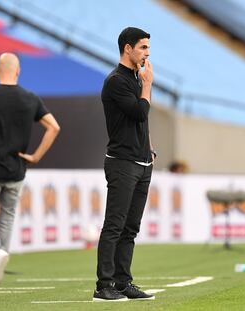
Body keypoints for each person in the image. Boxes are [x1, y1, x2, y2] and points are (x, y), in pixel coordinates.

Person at [0, 53, 60, 284]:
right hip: (17, 169)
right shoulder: (30, 98)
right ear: (18, 71)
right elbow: (54, 127)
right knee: (7, 217)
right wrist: (36, 156)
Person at [94, 27, 156, 301]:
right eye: (142, 47)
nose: (147, 53)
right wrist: (148, 85)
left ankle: (122, 282)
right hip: (122, 162)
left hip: (142, 162)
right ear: (127, 48)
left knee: (131, 228)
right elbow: (140, 111)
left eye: (148, 48)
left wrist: (149, 147)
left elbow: (142, 121)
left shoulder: (134, 78)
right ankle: (103, 285)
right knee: (115, 226)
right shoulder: (117, 81)